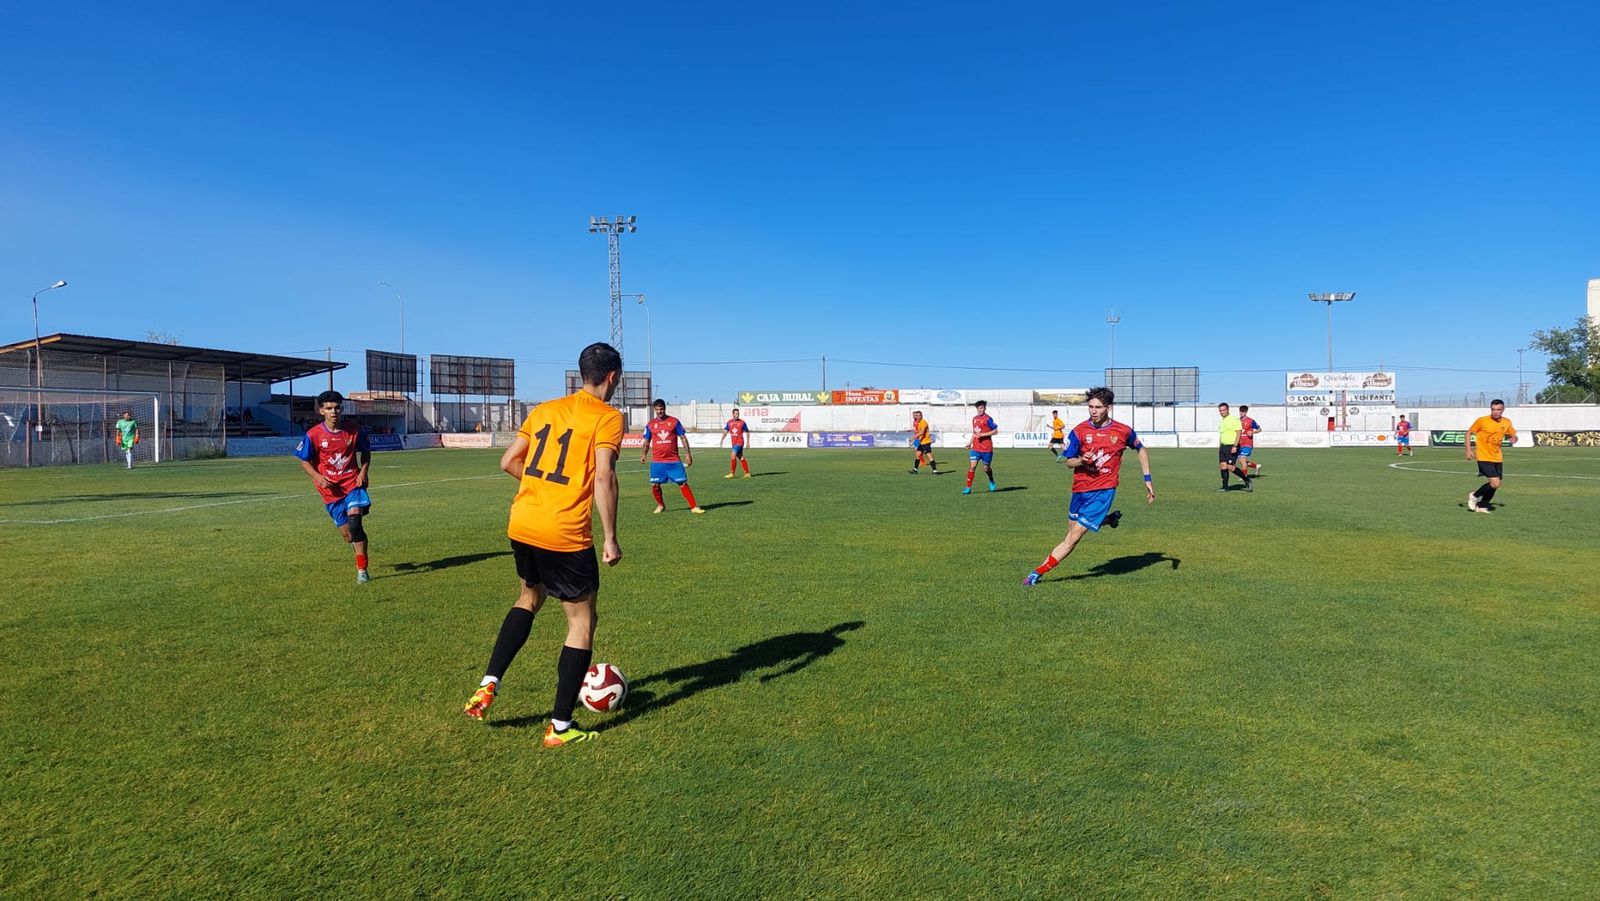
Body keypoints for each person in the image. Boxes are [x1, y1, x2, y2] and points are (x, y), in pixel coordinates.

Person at [462, 342, 625, 748]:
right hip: (564, 531)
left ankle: (488, 683)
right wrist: (610, 538)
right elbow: (603, 477)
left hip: (523, 523)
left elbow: (508, 462)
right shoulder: (607, 418)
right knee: (581, 622)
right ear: (612, 377)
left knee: (528, 599)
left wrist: (542, 491)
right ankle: (560, 726)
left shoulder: (544, 410)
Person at [1023, 387, 1154, 585]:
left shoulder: (1123, 431)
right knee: (1072, 531)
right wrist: (1082, 460)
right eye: (1090, 406)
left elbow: (1141, 450)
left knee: (1073, 537)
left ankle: (1036, 573)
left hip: (1103, 491)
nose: (1093, 411)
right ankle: (1108, 519)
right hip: (1080, 489)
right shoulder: (1079, 431)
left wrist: (1147, 479)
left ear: (1108, 407)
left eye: (1098, 407)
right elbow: (1068, 462)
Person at [294, 390, 373, 583]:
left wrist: (363, 472)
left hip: (352, 483)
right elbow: (304, 461)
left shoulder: (354, 431)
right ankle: (356, 545)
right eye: (328, 408)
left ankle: (362, 571)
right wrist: (318, 476)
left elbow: (366, 452)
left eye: (337, 407)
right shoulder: (313, 435)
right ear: (321, 411)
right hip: (330, 491)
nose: (333, 411)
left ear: (342, 408)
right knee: (348, 535)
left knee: (355, 524)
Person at [642, 399, 704, 514]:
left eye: (661, 409)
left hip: (673, 460)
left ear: (665, 408)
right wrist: (644, 454)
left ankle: (694, 507)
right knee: (655, 484)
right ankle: (660, 505)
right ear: (654, 410)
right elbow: (646, 441)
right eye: (657, 409)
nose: (659, 411)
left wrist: (688, 454)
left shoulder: (674, 422)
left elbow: (683, 438)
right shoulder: (650, 425)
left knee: (683, 483)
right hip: (658, 461)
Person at [1465, 399, 1517, 513]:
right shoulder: (1482, 421)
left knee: (1495, 485)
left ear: (1503, 410)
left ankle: (1482, 506)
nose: (1495, 412)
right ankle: (1474, 495)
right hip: (1483, 456)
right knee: (1495, 482)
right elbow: (1468, 433)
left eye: (1498, 409)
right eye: (1493, 409)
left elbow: (1512, 435)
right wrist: (1468, 449)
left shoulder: (1506, 422)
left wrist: (1514, 438)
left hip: (1497, 457)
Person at [963, 400, 999, 495]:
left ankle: (991, 480)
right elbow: (975, 433)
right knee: (972, 466)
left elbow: (995, 431)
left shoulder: (988, 419)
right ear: (976, 409)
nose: (980, 410)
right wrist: (970, 443)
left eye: (982, 408)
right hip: (976, 448)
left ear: (985, 408)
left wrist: (982, 435)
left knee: (986, 468)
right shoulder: (974, 419)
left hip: (987, 448)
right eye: (978, 408)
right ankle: (968, 487)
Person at [1216, 402, 1252, 493]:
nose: (1222, 412)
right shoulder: (1222, 421)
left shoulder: (1234, 419)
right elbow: (1222, 435)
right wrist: (1220, 446)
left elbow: (1239, 432)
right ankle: (1225, 487)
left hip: (1232, 446)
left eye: (1224, 410)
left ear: (1228, 410)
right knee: (1223, 466)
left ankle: (1246, 480)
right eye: (1220, 410)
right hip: (1223, 447)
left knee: (1230, 467)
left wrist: (1235, 445)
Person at [721, 407, 751, 479]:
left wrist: (747, 442)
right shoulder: (729, 423)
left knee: (733, 455)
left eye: (738, 414)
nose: (737, 415)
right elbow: (725, 432)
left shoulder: (742, 423)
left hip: (740, 442)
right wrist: (722, 439)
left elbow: (747, 432)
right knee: (740, 457)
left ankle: (732, 473)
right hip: (734, 443)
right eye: (736, 414)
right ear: (733, 414)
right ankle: (747, 473)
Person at [908, 410, 941, 474]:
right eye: (916, 415)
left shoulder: (923, 422)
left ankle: (935, 471)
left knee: (929, 456)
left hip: (926, 442)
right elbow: (918, 431)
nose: (917, 416)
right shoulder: (919, 422)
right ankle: (915, 470)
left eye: (919, 415)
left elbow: (922, 432)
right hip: (921, 442)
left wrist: (913, 437)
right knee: (917, 455)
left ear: (921, 416)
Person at [1237, 404, 1262, 475]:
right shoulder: (1237, 421)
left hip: (1247, 443)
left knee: (1242, 459)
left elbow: (1260, 429)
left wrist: (1252, 432)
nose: (1241, 413)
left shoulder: (1251, 421)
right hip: (1239, 444)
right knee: (1241, 461)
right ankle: (1256, 466)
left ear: (1246, 412)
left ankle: (1244, 477)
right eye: (1240, 411)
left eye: (1243, 411)